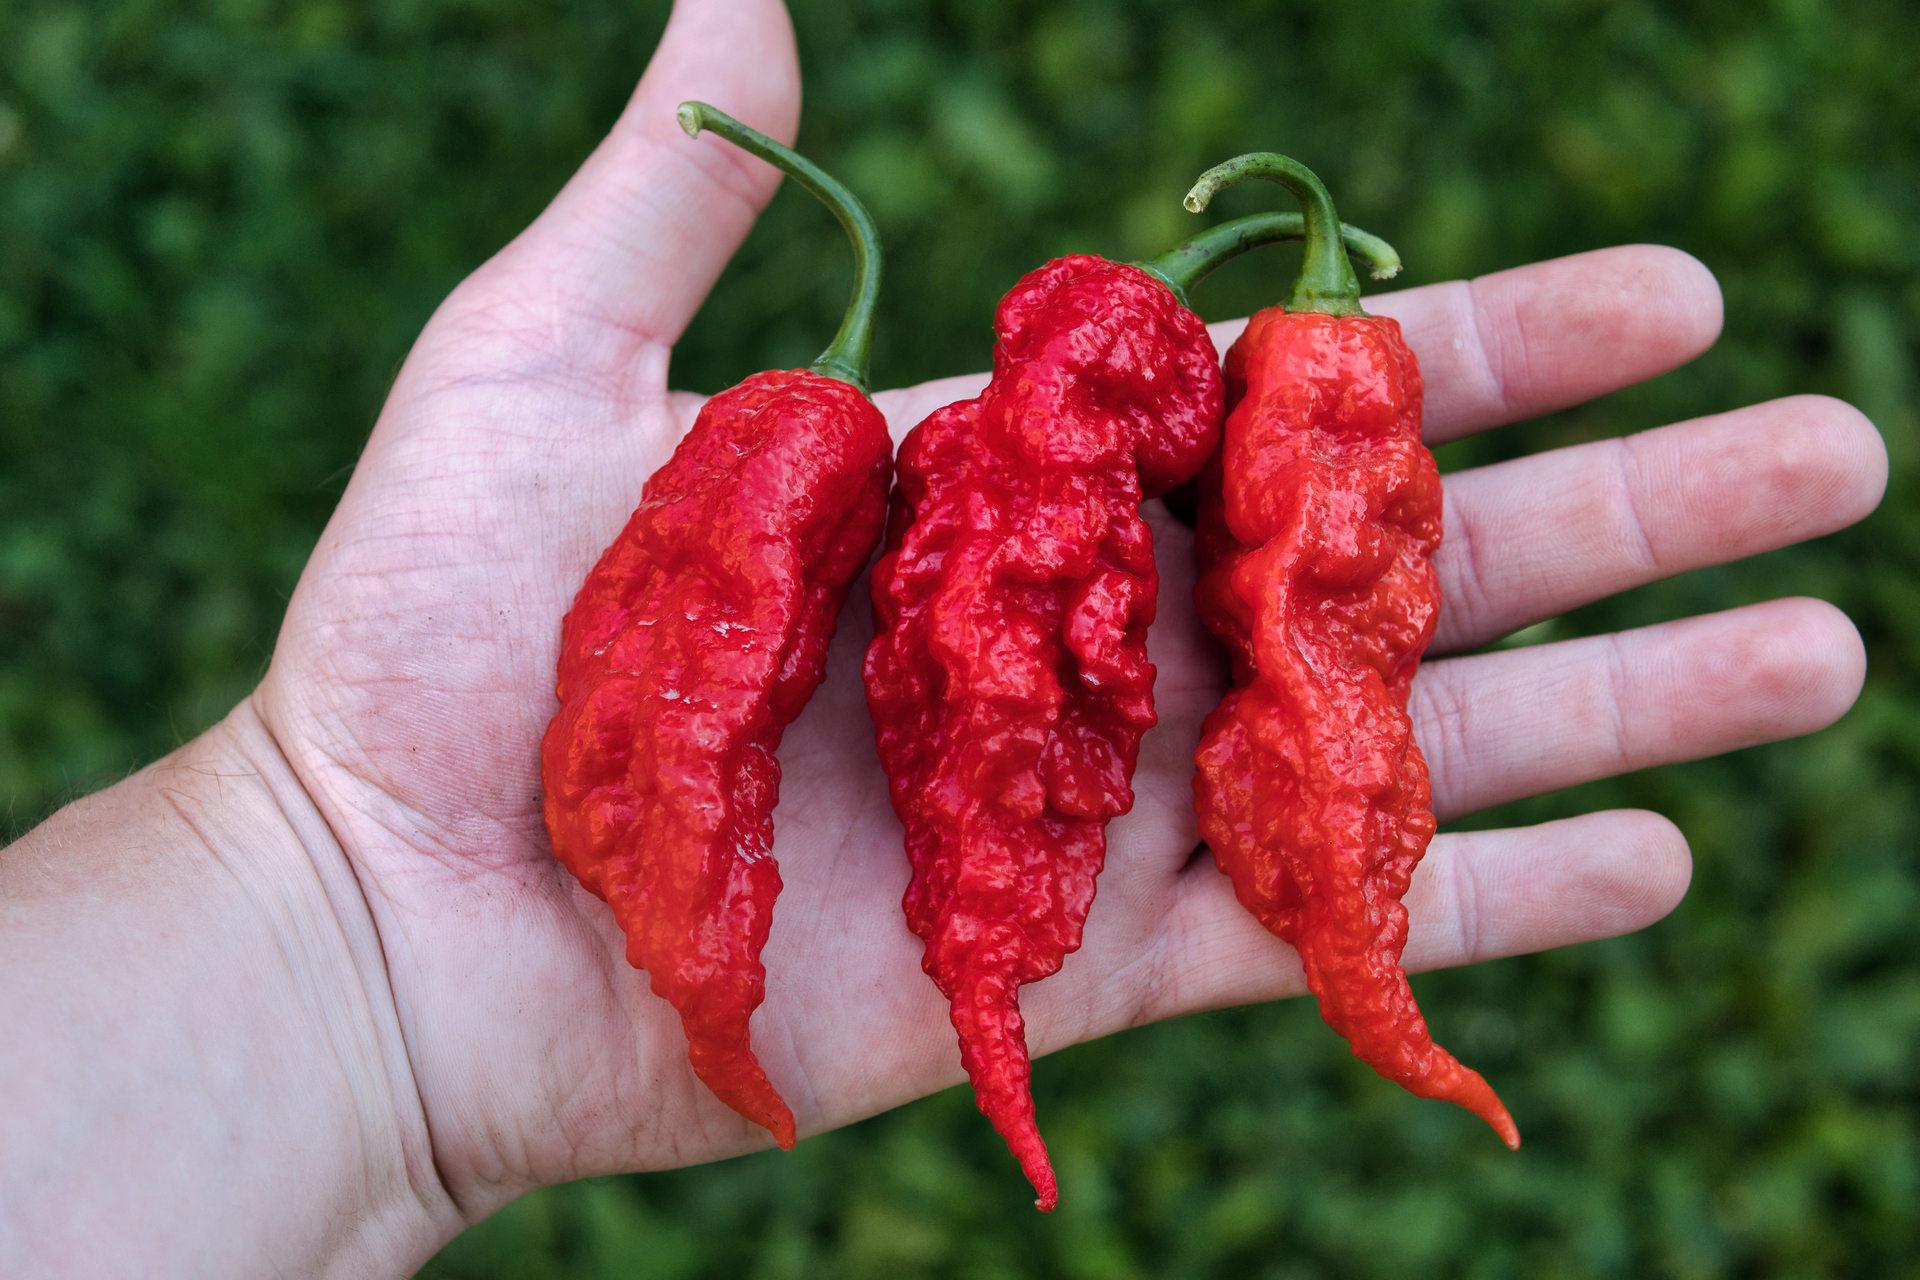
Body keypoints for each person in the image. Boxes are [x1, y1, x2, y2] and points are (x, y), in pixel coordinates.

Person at [0, 0, 1888, 1275]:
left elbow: (1232, 632)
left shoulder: (1036, 443)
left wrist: (329, 939)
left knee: (1218, 655)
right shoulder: (886, 454)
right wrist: (345, 922)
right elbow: (751, 682)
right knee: (914, 629)